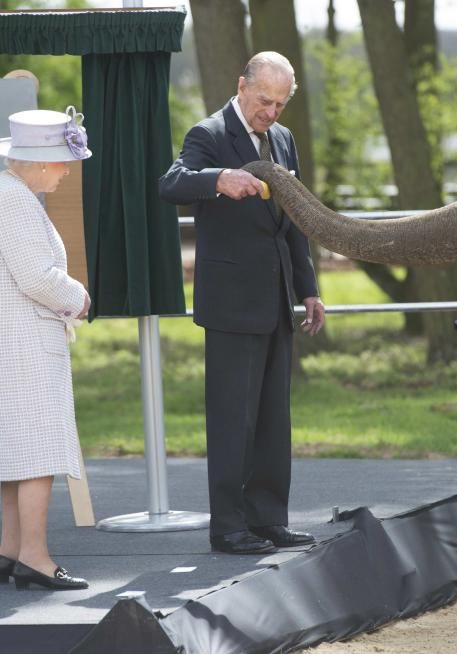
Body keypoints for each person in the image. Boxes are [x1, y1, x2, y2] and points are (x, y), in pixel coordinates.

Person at [159, 51, 326, 555]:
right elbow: (170, 184)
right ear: (241, 86)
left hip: (277, 303)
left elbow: (291, 219)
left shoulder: (282, 139)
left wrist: (308, 288)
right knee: (234, 421)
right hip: (232, 306)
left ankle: (269, 519)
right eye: (263, 101)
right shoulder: (208, 134)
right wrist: (217, 181)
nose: (270, 112)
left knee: (275, 420)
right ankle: (229, 527)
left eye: (279, 104)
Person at [0, 107, 91, 590]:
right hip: (21, 345)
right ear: (38, 161)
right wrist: (80, 298)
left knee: (19, 450)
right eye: (62, 160)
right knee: (38, 452)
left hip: (3, 343)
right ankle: (35, 557)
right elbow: (36, 276)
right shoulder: (13, 199)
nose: (66, 169)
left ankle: (11, 550)